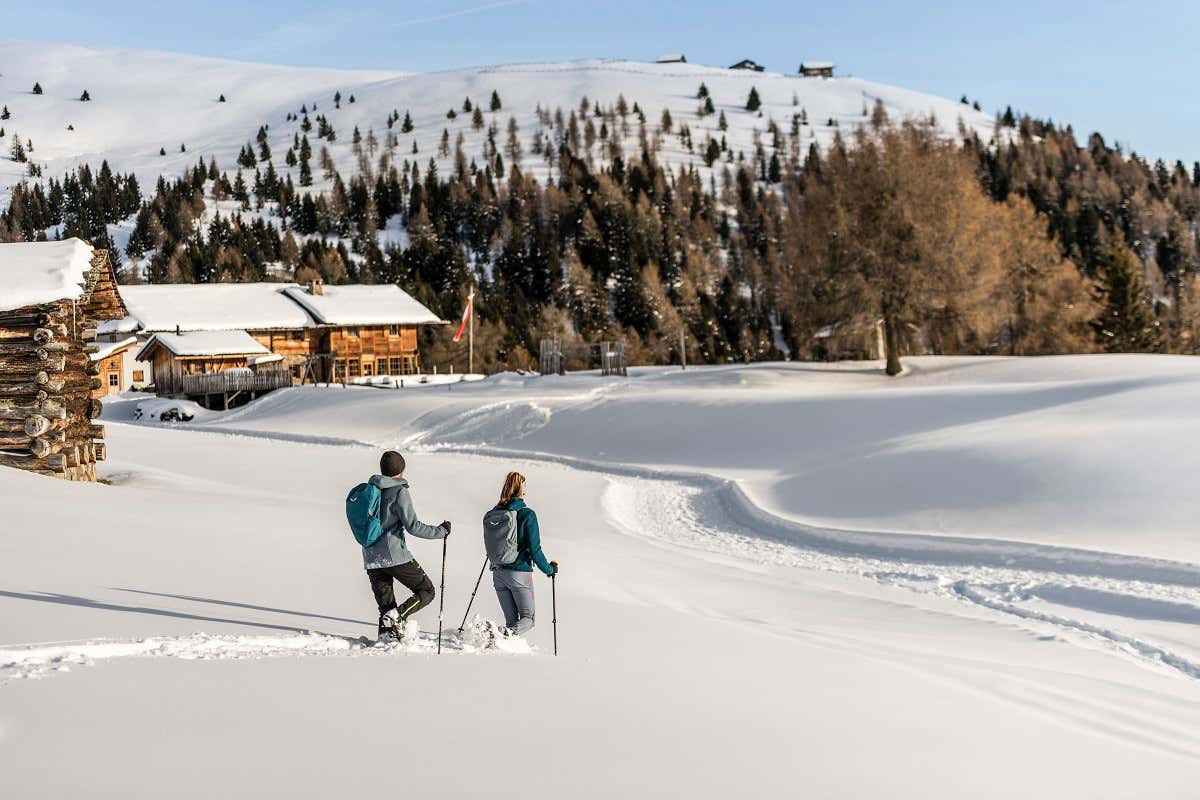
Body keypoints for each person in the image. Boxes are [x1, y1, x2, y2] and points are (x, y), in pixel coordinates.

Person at [364, 450, 450, 643]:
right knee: (427, 591)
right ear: (402, 471)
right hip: (395, 556)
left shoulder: (371, 490)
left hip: (371, 558)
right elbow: (413, 526)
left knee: (386, 610)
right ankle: (399, 616)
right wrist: (441, 531)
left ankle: (386, 642)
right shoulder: (399, 491)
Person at [490, 471, 557, 636]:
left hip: (498, 573)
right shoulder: (527, 514)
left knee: (512, 623)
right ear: (521, 489)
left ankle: (495, 636)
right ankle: (495, 635)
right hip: (519, 573)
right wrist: (549, 570)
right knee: (528, 620)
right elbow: (535, 550)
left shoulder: (496, 513)